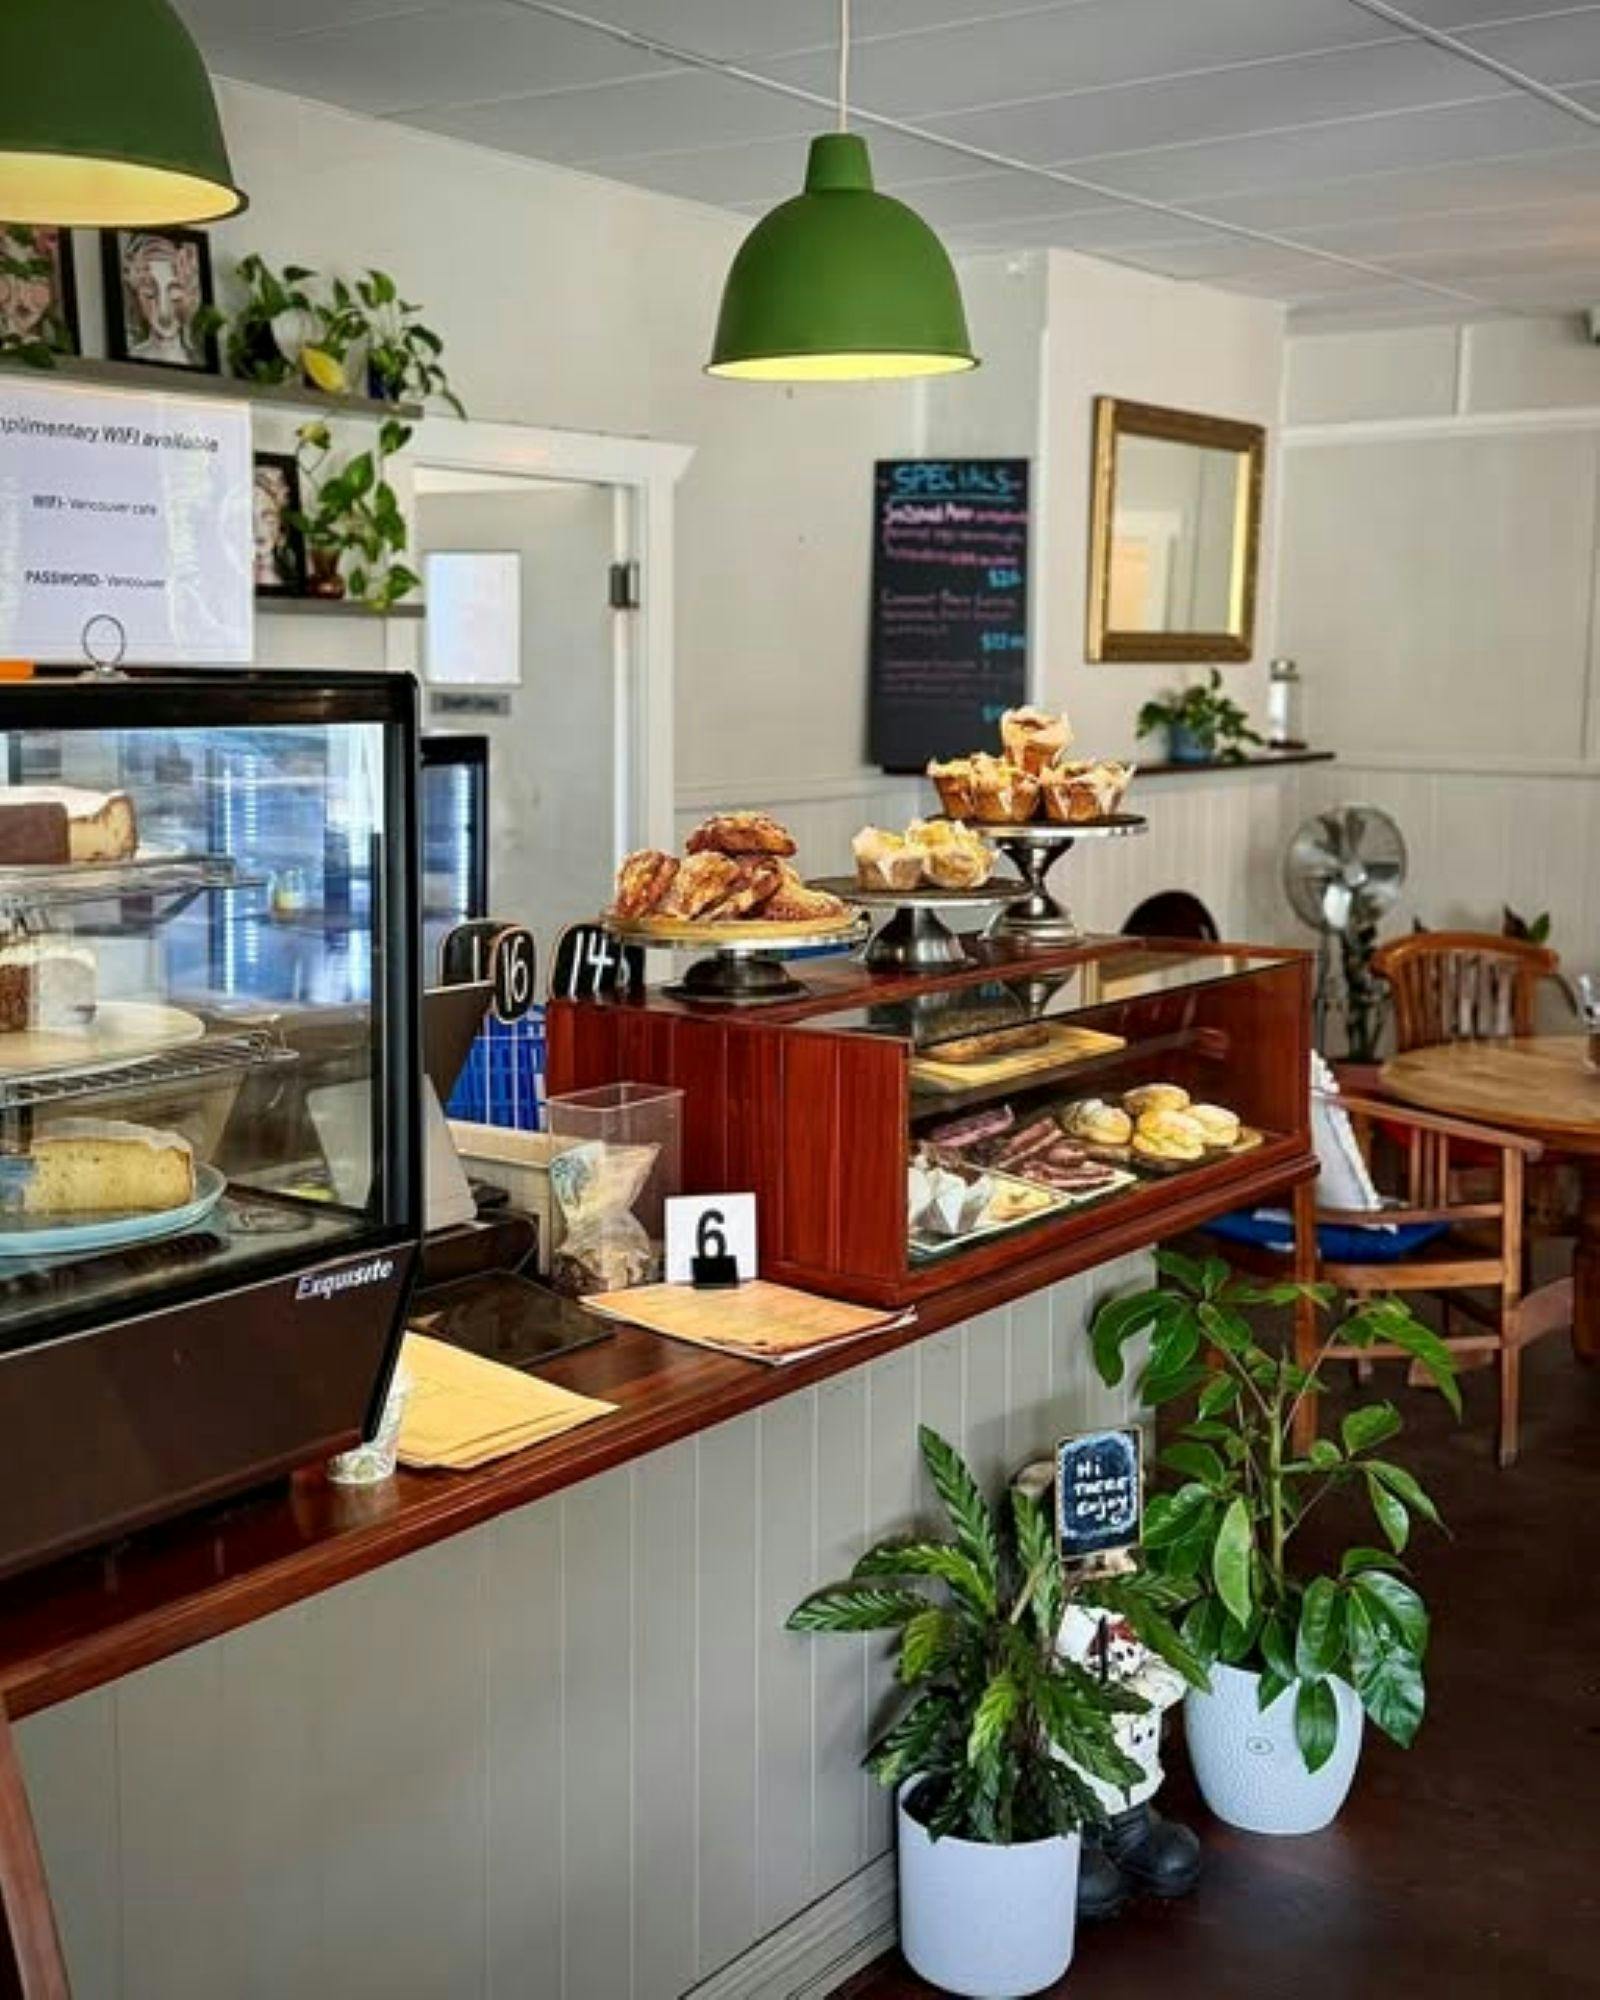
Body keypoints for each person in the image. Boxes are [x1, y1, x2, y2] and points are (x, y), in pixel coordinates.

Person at [122, 233, 203, 367]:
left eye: (175, 293)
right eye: (150, 293)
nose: (163, 312)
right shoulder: (132, 357)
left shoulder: (197, 361)